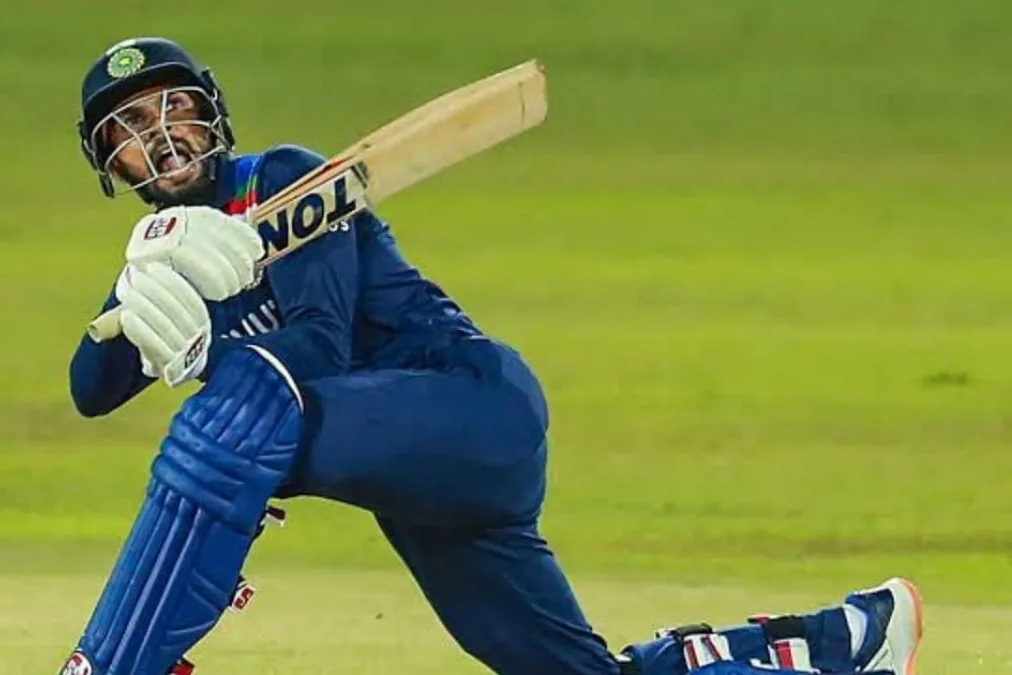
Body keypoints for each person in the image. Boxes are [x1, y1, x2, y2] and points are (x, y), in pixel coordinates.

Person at [59, 37, 924, 675]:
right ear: (111, 163)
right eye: (130, 124)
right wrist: (139, 292)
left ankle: (113, 661)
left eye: (174, 106)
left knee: (240, 404)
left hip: (468, 405)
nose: (161, 132)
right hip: (416, 484)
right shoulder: (159, 266)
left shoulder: (283, 181)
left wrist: (209, 345)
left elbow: (316, 349)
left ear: (211, 112)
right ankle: (844, 641)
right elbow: (89, 389)